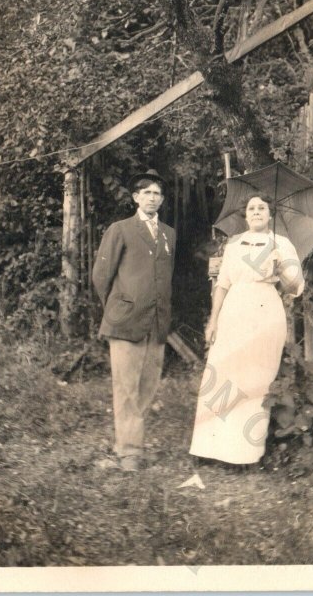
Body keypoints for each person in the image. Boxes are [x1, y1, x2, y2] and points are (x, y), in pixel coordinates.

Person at [189, 193, 304, 466]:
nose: (255, 212)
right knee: (223, 374)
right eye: (251, 208)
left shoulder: (281, 244)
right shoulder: (234, 244)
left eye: (261, 208)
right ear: (245, 214)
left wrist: (282, 267)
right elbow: (223, 284)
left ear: (270, 213)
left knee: (255, 379)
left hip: (265, 313)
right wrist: (213, 320)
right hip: (233, 312)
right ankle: (212, 449)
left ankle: (244, 455)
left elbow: (295, 287)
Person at [93, 169, 176, 472]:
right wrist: (118, 307)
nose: (152, 198)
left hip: (156, 323)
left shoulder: (168, 234)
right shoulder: (121, 229)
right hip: (125, 322)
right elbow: (101, 276)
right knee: (126, 387)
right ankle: (128, 452)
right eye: (147, 192)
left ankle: (134, 445)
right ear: (135, 198)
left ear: (162, 199)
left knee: (146, 387)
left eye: (157, 193)